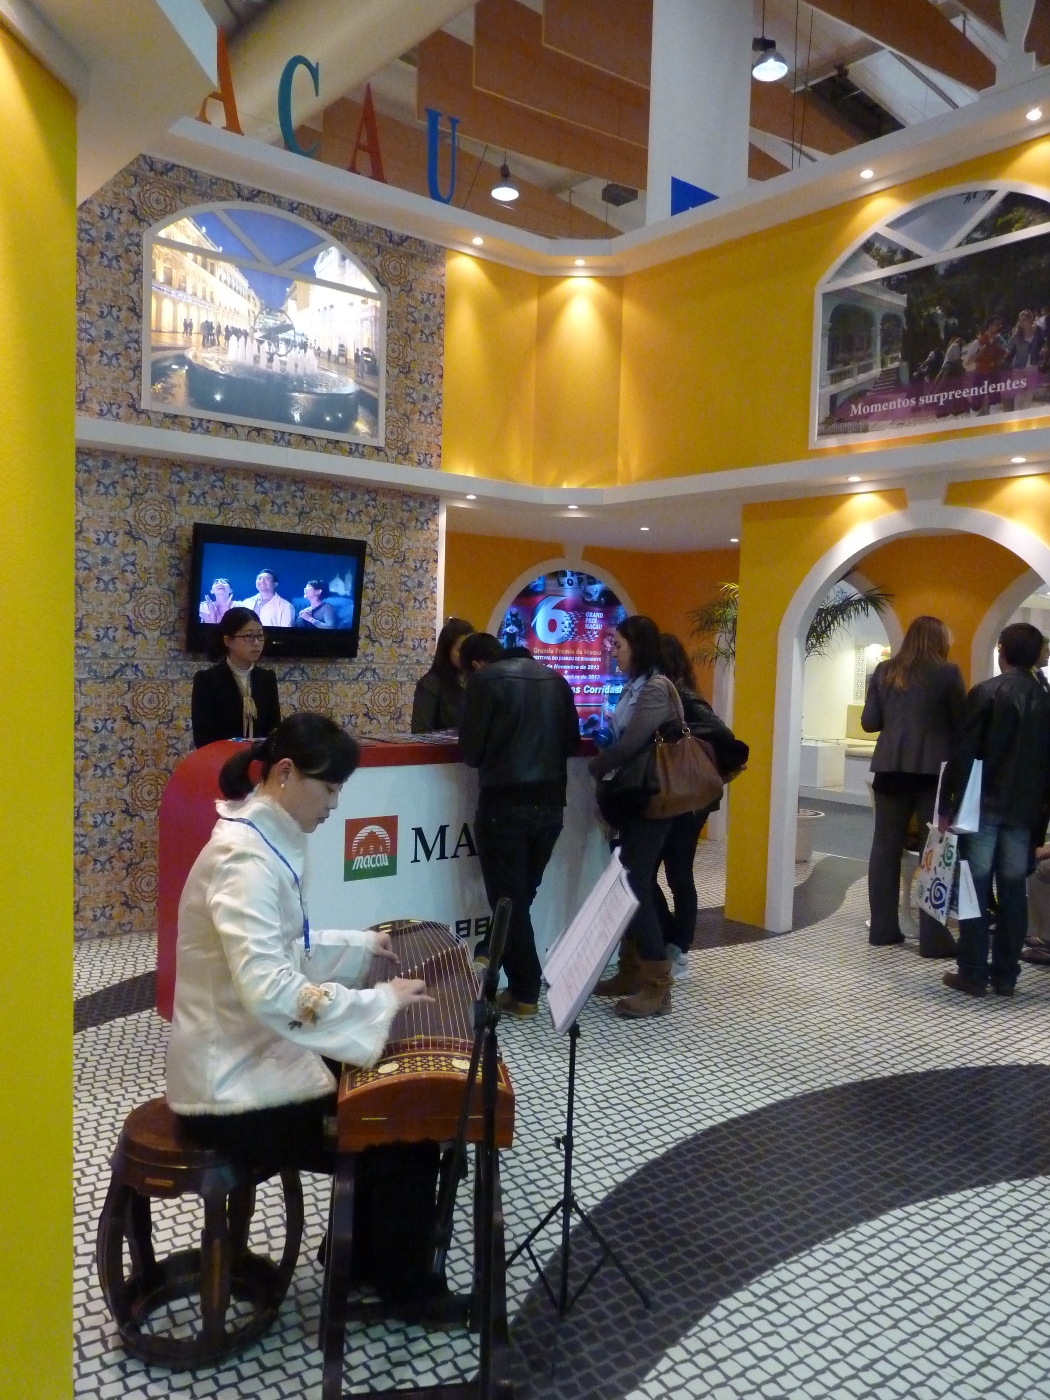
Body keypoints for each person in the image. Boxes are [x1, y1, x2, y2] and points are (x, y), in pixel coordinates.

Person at [166, 714, 440, 1305]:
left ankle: (364, 1255)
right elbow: (269, 987)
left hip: (251, 1052)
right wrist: (377, 1000)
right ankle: (398, 1284)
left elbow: (285, 948)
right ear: (286, 773)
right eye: (330, 788)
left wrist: (360, 947)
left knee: (392, 1086)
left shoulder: (263, 839)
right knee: (404, 1125)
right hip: (230, 1091)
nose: (335, 805)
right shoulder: (244, 860)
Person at [458, 632, 581, 1017]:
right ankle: (510, 978)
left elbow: (471, 752)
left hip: (504, 804)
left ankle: (525, 988)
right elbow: (573, 743)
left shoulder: (484, 681)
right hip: (551, 804)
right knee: (520, 896)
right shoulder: (557, 680)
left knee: (509, 900)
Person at [938, 622, 1050, 997]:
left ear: (1002, 650)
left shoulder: (986, 693)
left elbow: (963, 754)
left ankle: (972, 971)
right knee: (1014, 893)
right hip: (1025, 813)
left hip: (982, 807)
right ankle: (1006, 976)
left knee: (975, 889)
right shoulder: (1045, 700)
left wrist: (946, 804)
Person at [588, 615, 680, 1019]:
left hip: (651, 800)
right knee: (626, 882)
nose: (614, 652)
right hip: (632, 800)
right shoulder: (635, 686)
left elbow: (630, 745)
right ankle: (631, 969)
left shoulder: (656, 689)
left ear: (637, 647)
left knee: (635, 884)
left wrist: (596, 767)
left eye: (619, 645)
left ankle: (658, 984)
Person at [861, 616, 966, 955]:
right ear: (939, 640)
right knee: (932, 852)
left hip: (889, 770)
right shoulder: (947, 673)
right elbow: (962, 724)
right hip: (934, 774)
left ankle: (882, 929)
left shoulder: (885, 670)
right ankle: (933, 939)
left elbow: (869, 722)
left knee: (884, 849)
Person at [654, 633, 748, 980]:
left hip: (689, 797)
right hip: (681, 796)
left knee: (676, 871)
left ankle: (679, 947)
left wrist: (679, 732)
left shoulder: (684, 697)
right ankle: (671, 941)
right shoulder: (670, 693)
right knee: (656, 873)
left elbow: (723, 735)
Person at [191, 607, 282, 748]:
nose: (256, 642)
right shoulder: (207, 680)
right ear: (228, 640)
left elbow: (273, 732)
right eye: (249, 636)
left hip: (259, 758)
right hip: (221, 758)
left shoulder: (267, 678)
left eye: (260, 635)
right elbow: (203, 739)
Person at [411, 617, 474, 732]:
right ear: (447, 649)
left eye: (471, 649)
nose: (467, 654)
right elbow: (421, 731)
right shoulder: (430, 683)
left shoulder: (478, 679)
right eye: (461, 650)